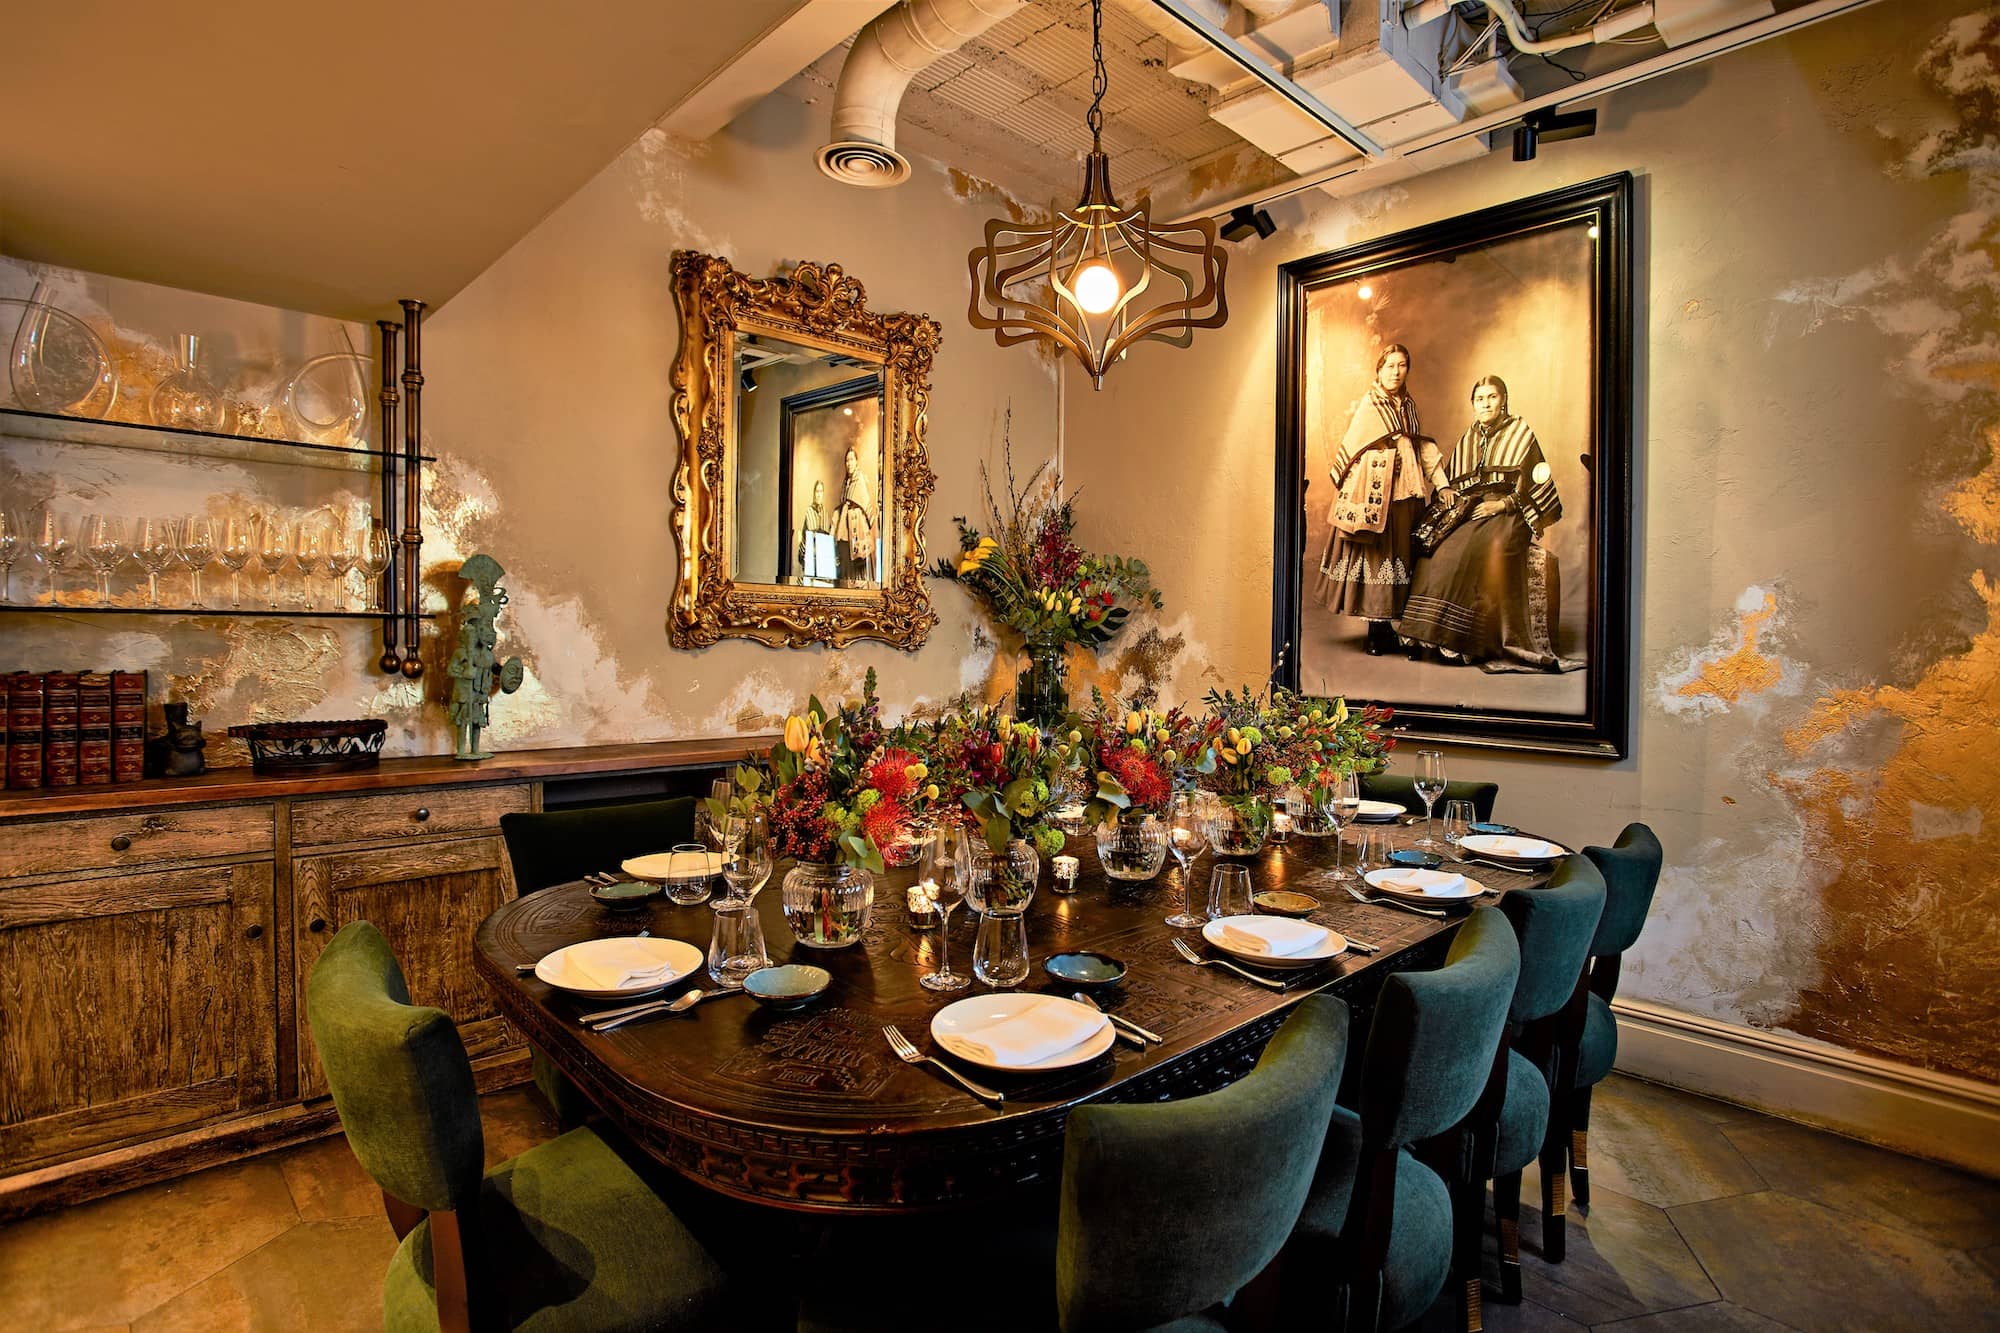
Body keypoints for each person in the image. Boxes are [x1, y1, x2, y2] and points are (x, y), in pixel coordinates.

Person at [1401, 374, 1574, 671]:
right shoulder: (1469, 437)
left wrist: (1501, 505)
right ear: (1472, 404)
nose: (1486, 404)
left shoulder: (1521, 433)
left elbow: (1535, 484)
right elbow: (1455, 482)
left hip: (1510, 513)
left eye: (1492, 397)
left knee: (1469, 553)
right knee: (1439, 553)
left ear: (1503, 400)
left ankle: (1459, 640)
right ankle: (1422, 635)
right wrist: (1448, 493)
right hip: (1474, 508)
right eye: (1480, 399)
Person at [1315, 343, 1448, 655]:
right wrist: (1384, 460)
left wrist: (1441, 485)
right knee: (1378, 558)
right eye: (1390, 366)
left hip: (1408, 494)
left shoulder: (1409, 406)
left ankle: (1393, 627)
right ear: (1379, 370)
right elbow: (1354, 453)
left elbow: (1422, 448)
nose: (1396, 372)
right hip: (1380, 498)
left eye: (1402, 365)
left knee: (1402, 558)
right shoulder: (1370, 406)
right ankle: (1376, 631)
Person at [829, 443, 878, 586]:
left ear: (856, 461)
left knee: (857, 571)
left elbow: (866, 506)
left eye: (851, 459)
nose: (849, 463)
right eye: (847, 460)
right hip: (844, 531)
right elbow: (842, 503)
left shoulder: (861, 480)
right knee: (845, 567)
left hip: (856, 531)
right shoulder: (846, 482)